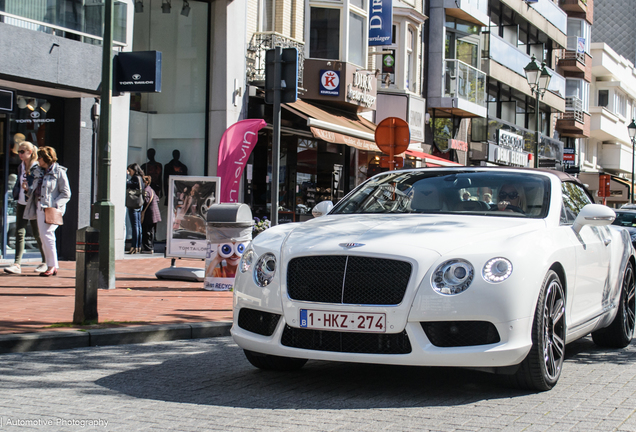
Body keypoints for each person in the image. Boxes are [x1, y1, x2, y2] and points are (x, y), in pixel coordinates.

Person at [23, 146, 71, 277]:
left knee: (48, 235)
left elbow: (66, 193)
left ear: (46, 158)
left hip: (52, 209)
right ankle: (51, 265)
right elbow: (37, 190)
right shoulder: (38, 171)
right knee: (44, 237)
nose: (38, 159)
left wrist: (55, 205)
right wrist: (28, 190)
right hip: (39, 207)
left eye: (40, 157)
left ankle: (52, 266)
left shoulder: (59, 172)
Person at [4, 142, 46, 275]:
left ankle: (46, 261)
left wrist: (28, 189)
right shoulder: (21, 166)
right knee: (19, 232)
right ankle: (17, 264)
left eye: (22, 151)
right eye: (18, 152)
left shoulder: (36, 167)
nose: (19, 154)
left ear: (30, 152)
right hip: (22, 202)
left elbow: (40, 186)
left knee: (37, 233)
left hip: (32, 203)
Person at [126, 163, 145, 254]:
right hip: (139, 203)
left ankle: (134, 246)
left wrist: (125, 176)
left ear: (134, 170)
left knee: (135, 226)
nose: (129, 172)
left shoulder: (135, 178)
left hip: (133, 204)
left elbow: (128, 184)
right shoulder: (141, 178)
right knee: (138, 226)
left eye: (130, 170)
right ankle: (138, 246)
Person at [141, 175, 161, 254]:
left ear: (146, 182)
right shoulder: (151, 190)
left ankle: (148, 248)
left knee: (147, 231)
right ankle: (151, 246)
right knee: (151, 231)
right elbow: (157, 199)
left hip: (149, 214)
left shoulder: (146, 190)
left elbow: (145, 201)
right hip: (154, 214)